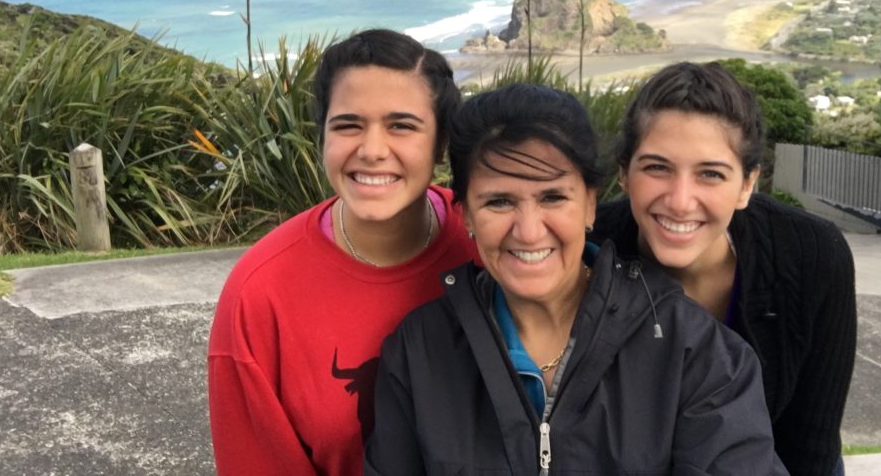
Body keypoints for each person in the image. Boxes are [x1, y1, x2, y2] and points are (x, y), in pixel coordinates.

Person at [365, 83, 788, 475]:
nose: (528, 231)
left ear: (590, 205)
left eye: (553, 197)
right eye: (499, 202)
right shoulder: (418, 351)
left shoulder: (697, 354)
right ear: (467, 216)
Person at [207, 29, 478, 476]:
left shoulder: (489, 245)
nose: (372, 151)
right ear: (323, 136)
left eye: (402, 126)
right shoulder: (261, 294)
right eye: (348, 125)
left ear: (442, 143)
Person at [590, 61, 856, 476]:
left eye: (710, 174)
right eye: (657, 167)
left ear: (747, 185)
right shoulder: (590, 251)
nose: (680, 201)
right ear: (624, 174)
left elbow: (811, 447)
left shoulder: (811, 256)